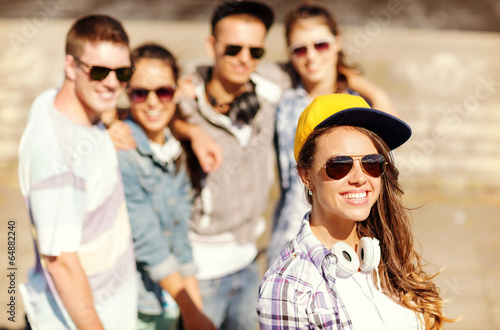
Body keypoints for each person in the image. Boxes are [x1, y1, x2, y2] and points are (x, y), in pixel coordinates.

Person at [258, 94, 455, 329]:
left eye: (371, 163)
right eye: (339, 165)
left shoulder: (386, 250)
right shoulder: (287, 285)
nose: (360, 177)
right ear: (306, 176)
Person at [18, 15, 137, 329]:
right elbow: (61, 264)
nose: (112, 83)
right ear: (70, 66)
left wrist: (107, 122)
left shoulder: (49, 102)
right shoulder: (61, 161)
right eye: (99, 71)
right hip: (88, 317)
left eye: (123, 72)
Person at [268, 2, 400, 264]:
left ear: (337, 42)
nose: (311, 56)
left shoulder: (355, 104)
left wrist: (361, 83)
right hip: (290, 228)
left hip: (348, 229)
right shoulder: (283, 99)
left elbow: (389, 145)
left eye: (321, 45)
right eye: (299, 49)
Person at [177, 1, 282, 329]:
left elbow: (319, 65)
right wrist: (190, 129)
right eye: (233, 48)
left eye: (256, 51)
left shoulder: (269, 91)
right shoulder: (182, 96)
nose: (244, 59)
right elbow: (136, 105)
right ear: (212, 46)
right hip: (201, 269)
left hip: (251, 262)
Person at [117, 43, 215, 330]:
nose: (152, 101)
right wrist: (193, 311)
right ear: (127, 94)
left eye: (163, 91)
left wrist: (195, 310)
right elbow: (147, 241)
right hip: (136, 305)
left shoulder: (177, 151)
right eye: (139, 92)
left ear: (176, 92)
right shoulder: (123, 153)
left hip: (170, 305)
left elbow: (179, 235)